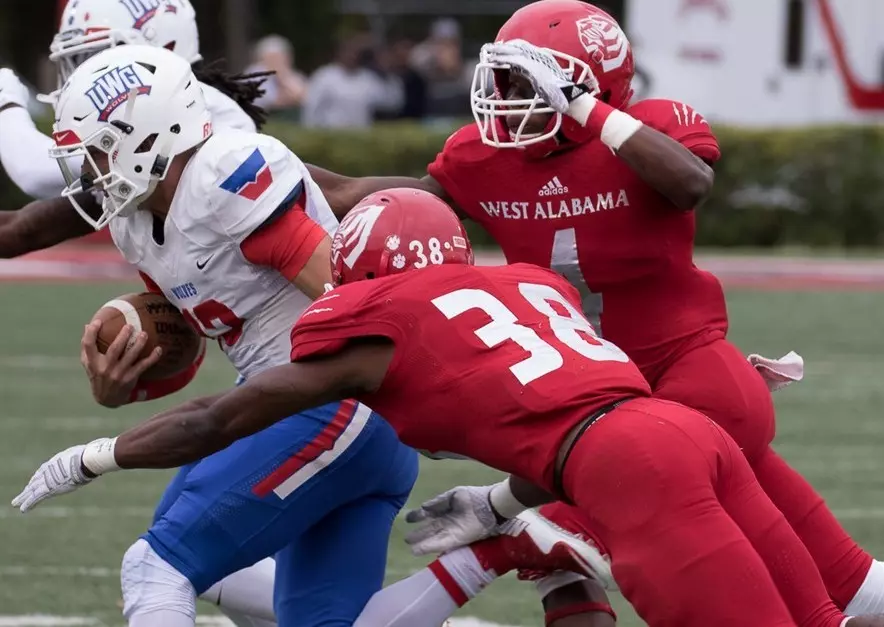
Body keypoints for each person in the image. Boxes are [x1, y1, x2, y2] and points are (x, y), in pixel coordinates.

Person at [14, 186, 877, 627]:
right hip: (678, 432)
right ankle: (522, 539)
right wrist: (498, 505)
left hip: (632, 468)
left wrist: (96, 455)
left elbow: (220, 419)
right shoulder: (526, 281)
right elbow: (559, 412)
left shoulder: (378, 316)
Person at [304, 1, 884, 621]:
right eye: (506, 79)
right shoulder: (485, 159)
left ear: (588, 80)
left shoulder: (648, 130)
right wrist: (234, 152)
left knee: (554, 529)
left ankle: (526, 532)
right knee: (852, 589)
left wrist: (586, 109)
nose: (508, 96)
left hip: (687, 382)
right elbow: (353, 196)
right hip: (597, 397)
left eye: (529, 80)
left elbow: (691, 183)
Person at [22, 43, 419, 627]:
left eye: (100, 152)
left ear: (146, 137)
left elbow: (349, 307)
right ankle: (460, 580)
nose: (91, 172)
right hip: (308, 405)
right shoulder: (138, 220)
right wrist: (125, 382)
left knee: (156, 567)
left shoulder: (224, 174)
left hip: (331, 402)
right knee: (303, 613)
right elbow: (193, 340)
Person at [0, 0, 266, 201]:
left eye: (98, 56)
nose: (85, 75)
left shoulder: (191, 109)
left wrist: (6, 101)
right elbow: (28, 229)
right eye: (79, 60)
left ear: (163, 47)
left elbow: (34, 172)